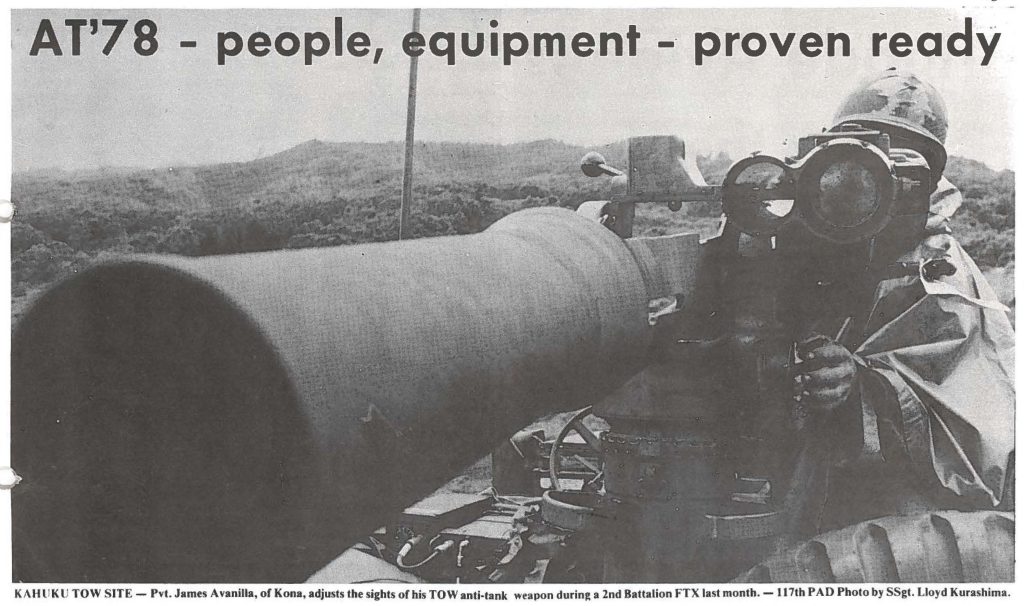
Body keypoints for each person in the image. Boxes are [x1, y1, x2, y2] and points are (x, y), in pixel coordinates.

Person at [791, 68, 1015, 531]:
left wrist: (860, 384)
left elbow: (971, 419)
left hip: (895, 498)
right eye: (856, 154)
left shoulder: (942, 271)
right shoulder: (797, 236)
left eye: (897, 158)